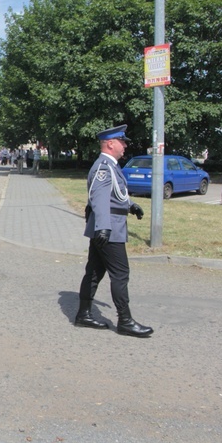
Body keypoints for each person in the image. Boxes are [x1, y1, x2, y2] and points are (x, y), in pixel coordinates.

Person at [75, 124, 153, 338]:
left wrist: (130, 205)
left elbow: (114, 194)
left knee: (94, 272)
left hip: (105, 226)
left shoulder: (111, 166)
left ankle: (84, 314)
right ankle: (125, 321)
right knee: (120, 273)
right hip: (109, 228)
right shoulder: (103, 167)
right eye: (122, 141)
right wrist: (103, 228)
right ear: (110, 143)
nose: (125, 145)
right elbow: (99, 199)